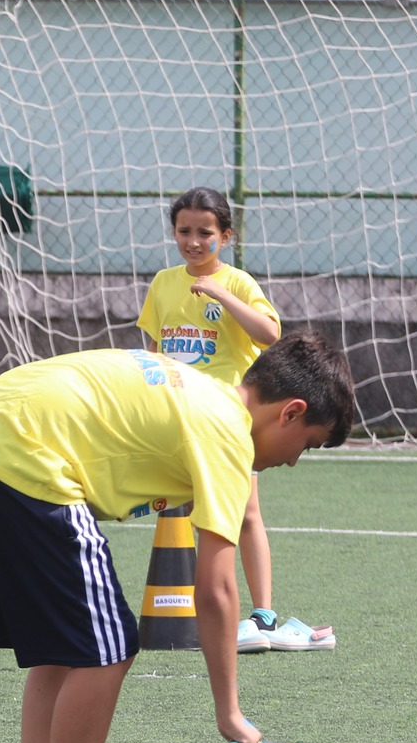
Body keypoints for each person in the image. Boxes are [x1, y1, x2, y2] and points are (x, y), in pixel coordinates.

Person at [0, 334, 354, 743]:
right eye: (308, 444)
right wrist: (228, 709)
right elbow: (216, 590)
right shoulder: (229, 433)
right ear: (291, 412)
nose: (296, 462)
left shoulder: (203, 398)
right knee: (109, 647)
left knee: (69, 648)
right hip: (25, 455)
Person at [135, 186, 319, 653]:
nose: (193, 241)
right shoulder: (163, 283)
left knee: (245, 513)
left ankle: (262, 613)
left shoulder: (237, 282)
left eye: (205, 233)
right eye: (184, 231)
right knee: (178, 507)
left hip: (227, 420)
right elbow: (153, 349)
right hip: (177, 414)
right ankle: (185, 610)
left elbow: (271, 333)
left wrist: (221, 294)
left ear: (226, 235)